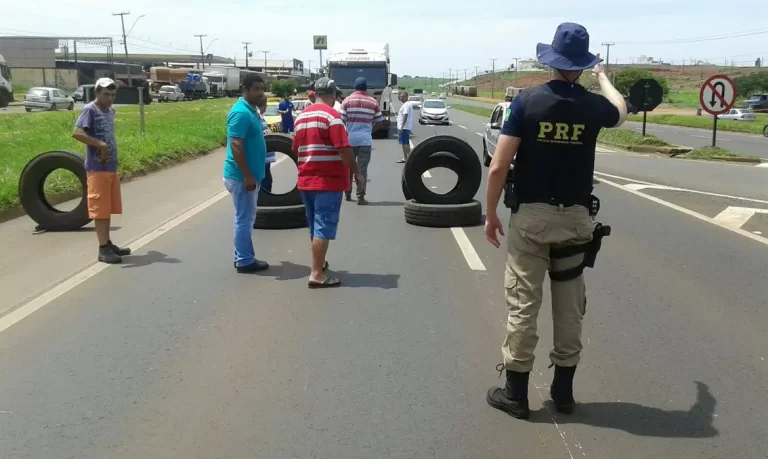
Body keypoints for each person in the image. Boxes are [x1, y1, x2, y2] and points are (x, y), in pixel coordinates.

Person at [484, 23, 627, 420]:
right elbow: (621, 110)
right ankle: (563, 393)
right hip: (577, 220)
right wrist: (602, 77)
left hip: (532, 219)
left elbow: (498, 167)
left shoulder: (526, 103)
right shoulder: (592, 106)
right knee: (569, 307)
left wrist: (491, 214)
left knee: (523, 303)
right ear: (581, 66)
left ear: (549, 60)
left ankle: (516, 394)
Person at [292, 77, 364, 288]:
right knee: (323, 225)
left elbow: (295, 148)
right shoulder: (332, 117)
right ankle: (316, 274)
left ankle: (320, 263)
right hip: (327, 181)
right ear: (333, 95)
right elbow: (344, 149)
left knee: (314, 225)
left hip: (306, 180)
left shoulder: (300, 118)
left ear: (314, 94)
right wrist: (356, 172)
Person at [71, 78, 131, 264]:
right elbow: (77, 133)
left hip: (110, 167)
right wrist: (100, 145)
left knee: (107, 209)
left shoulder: (110, 111)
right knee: (100, 210)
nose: (110, 98)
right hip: (97, 168)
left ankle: (108, 243)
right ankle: (103, 249)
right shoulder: (90, 109)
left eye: (113, 95)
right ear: (97, 93)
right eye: (106, 94)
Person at [223, 73, 270, 273]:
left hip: (250, 175)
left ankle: (242, 256)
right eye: (256, 89)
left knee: (247, 217)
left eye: (262, 89)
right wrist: (247, 175)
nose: (260, 93)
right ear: (245, 89)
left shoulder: (251, 110)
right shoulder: (241, 113)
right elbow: (236, 145)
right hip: (241, 177)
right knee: (245, 219)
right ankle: (244, 260)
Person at [339, 77, 383, 205]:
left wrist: (347, 130)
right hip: (365, 141)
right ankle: (361, 197)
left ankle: (347, 193)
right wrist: (370, 131)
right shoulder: (373, 102)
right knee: (362, 169)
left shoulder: (347, 100)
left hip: (350, 141)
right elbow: (380, 121)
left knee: (349, 168)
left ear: (355, 87)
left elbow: (341, 120)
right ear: (366, 88)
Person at [256, 99, 275, 193]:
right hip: (260, 159)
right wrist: (263, 134)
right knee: (264, 184)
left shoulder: (261, 117)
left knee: (268, 182)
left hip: (266, 158)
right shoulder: (255, 116)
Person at [396, 91, 413, 163]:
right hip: (406, 127)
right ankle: (409, 157)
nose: (401, 98)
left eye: (403, 97)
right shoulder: (408, 104)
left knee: (404, 143)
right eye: (400, 97)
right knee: (406, 142)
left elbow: (405, 115)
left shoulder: (406, 105)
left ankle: (406, 158)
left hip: (404, 127)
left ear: (406, 97)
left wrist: (402, 126)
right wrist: (399, 95)